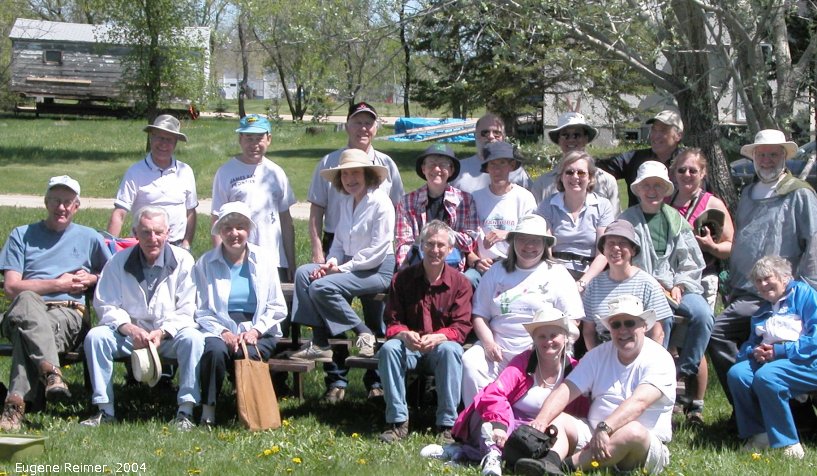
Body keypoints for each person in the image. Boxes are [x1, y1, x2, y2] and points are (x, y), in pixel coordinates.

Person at [708, 129, 817, 406]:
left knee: (719, 331)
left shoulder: (800, 194)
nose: (767, 160)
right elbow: (745, 240)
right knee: (720, 335)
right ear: (754, 157)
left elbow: (814, 241)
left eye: (773, 154)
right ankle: (749, 403)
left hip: (782, 294)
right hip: (746, 290)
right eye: (761, 154)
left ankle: (763, 403)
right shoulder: (748, 193)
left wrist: (804, 291)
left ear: (784, 157)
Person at [306, 101, 403, 403]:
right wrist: (324, 256)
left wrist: (343, 268)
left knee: (375, 315)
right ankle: (336, 379)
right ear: (347, 125)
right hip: (342, 248)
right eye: (357, 122)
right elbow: (318, 210)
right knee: (330, 305)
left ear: (375, 127)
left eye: (368, 122)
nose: (363, 128)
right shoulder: (331, 165)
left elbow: (393, 216)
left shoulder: (385, 170)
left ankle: (376, 382)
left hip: (373, 259)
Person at [0, 176, 111, 431]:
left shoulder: (89, 237)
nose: (61, 207)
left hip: (67, 315)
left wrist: (93, 277)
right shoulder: (21, 235)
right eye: (56, 201)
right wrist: (58, 284)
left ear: (77, 206)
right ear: (46, 202)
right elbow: (11, 287)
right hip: (24, 309)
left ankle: (14, 407)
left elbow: (113, 275)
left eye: (67, 202)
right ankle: (51, 374)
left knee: (24, 334)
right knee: (27, 299)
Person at [82, 207, 204, 430]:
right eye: (146, 232)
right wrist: (129, 328)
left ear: (168, 233)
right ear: (134, 232)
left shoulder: (184, 261)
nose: (153, 238)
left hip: (168, 337)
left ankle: (185, 411)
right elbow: (105, 303)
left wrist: (163, 331)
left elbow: (188, 309)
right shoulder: (118, 262)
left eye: (158, 232)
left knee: (194, 339)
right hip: (130, 336)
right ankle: (104, 409)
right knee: (96, 337)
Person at [528, 295, 675, 475]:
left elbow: (639, 403)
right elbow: (567, 389)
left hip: (643, 446)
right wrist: (541, 421)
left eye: (629, 323)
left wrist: (605, 427)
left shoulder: (660, 358)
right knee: (560, 419)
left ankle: (565, 466)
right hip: (594, 434)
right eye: (616, 325)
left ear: (644, 325)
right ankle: (548, 461)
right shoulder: (597, 355)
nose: (622, 330)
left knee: (633, 432)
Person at [444, 306, 585, 476]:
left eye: (554, 335)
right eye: (542, 336)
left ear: (565, 338)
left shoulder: (576, 370)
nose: (548, 341)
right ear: (534, 339)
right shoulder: (524, 361)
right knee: (485, 405)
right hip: (508, 425)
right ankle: (492, 455)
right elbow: (495, 393)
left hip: (544, 436)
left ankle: (466, 453)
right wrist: (500, 425)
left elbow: (581, 414)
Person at [461, 214, 584, 406]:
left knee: (529, 404)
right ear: (513, 242)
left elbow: (573, 321)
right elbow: (479, 314)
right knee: (470, 361)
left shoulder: (558, 274)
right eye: (523, 239)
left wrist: (543, 348)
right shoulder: (496, 271)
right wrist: (488, 343)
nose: (529, 246)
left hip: (539, 353)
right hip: (498, 350)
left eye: (535, 241)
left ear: (545, 244)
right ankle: (478, 423)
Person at [289, 149, 395, 367]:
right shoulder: (347, 203)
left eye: (355, 173)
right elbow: (338, 243)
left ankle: (364, 333)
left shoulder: (381, 203)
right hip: (351, 265)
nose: (349, 180)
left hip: (376, 269)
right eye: (345, 175)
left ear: (367, 174)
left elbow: (378, 250)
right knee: (303, 274)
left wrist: (341, 269)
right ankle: (320, 342)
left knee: (321, 287)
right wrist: (331, 262)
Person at [620, 161, 713, 391]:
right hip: (640, 288)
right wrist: (652, 284)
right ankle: (656, 372)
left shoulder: (676, 220)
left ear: (666, 189)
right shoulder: (626, 220)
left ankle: (683, 370)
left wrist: (680, 284)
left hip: (676, 287)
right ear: (638, 189)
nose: (652, 191)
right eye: (647, 185)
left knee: (703, 315)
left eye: (658, 186)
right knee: (662, 318)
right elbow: (621, 259)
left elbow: (691, 260)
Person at [193, 202, 287, 428]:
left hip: (259, 326)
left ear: (249, 230)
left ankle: (251, 410)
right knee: (214, 351)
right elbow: (201, 309)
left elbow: (277, 306)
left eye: (240, 227)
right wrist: (223, 332)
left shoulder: (264, 259)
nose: (234, 233)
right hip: (219, 325)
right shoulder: (205, 263)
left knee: (250, 353)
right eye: (227, 228)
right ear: (220, 232)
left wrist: (255, 331)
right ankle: (209, 410)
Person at [378, 221, 473, 443]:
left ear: (451, 249)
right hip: (409, 348)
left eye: (441, 245)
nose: (435, 250)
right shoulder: (402, 279)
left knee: (451, 350)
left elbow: (461, 326)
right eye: (429, 244)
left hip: (439, 350)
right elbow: (392, 321)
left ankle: (447, 425)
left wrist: (440, 336)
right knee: (389, 349)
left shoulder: (460, 283)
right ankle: (397, 422)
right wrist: (404, 334)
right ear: (421, 246)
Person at [667, 148, 734, 422]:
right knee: (673, 338)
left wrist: (711, 246)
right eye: (682, 169)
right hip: (672, 279)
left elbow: (730, 246)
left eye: (693, 170)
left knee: (697, 339)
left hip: (703, 276)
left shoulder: (712, 203)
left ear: (703, 173)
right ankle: (672, 396)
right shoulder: (666, 201)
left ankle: (696, 404)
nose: (687, 175)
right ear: (674, 172)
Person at [727, 256, 817, 460]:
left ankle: (790, 444)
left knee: (768, 376)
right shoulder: (764, 309)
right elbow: (750, 344)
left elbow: (815, 338)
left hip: (809, 361)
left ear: (785, 278)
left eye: (767, 278)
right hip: (776, 361)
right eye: (758, 281)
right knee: (737, 374)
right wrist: (754, 352)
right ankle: (759, 434)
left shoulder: (804, 295)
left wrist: (780, 351)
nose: (763, 284)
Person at [211, 114, 296, 281]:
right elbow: (216, 219)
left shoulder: (276, 172)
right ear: (240, 139)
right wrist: (218, 260)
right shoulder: (226, 172)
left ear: (269, 139)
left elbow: (286, 221)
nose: (254, 144)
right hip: (237, 257)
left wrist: (291, 262)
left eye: (259, 138)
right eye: (249, 138)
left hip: (274, 258)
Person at [107, 114, 198, 250]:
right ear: (151, 138)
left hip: (176, 246)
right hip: (144, 246)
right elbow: (120, 213)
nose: (163, 144)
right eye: (159, 137)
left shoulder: (185, 171)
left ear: (175, 143)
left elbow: (191, 212)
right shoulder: (135, 171)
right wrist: (108, 248)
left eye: (169, 139)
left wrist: (186, 243)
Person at [582, 220, 672, 350]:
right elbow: (589, 332)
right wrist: (597, 361)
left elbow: (658, 333)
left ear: (633, 250)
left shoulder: (648, 284)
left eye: (622, 243)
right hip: (604, 356)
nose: (616, 248)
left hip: (639, 354)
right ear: (604, 250)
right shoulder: (594, 286)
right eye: (610, 243)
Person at [535, 151, 614, 288]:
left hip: (591, 274)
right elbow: (546, 250)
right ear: (561, 177)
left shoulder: (603, 206)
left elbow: (603, 253)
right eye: (569, 172)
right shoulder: (548, 205)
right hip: (556, 272)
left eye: (581, 173)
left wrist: (582, 283)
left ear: (590, 178)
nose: (575, 177)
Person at [394, 143, 478, 271]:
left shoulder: (465, 200)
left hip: (454, 267)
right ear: (423, 169)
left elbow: (470, 241)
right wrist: (405, 267)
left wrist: (439, 235)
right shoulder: (407, 202)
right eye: (431, 164)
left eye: (443, 165)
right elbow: (404, 241)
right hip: (418, 266)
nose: (437, 169)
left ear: (451, 170)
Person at [467, 141, 537, 287]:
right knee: (467, 279)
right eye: (492, 164)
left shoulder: (524, 197)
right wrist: (476, 261)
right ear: (486, 167)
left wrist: (507, 234)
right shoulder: (475, 198)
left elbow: (533, 235)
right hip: (483, 265)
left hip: (515, 263)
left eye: (502, 163)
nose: (497, 169)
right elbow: (466, 238)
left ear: (511, 166)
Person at [530, 112, 620, 213]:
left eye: (577, 135)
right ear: (559, 140)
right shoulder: (542, 184)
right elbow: (535, 221)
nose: (571, 139)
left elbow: (615, 223)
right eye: (565, 135)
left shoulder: (607, 181)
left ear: (586, 138)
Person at [598, 109, 685, 206]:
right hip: (637, 219)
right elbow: (598, 168)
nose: (655, 136)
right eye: (653, 129)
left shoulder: (688, 165)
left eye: (663, 130)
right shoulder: (634, 159)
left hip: (678, 219)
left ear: (678, 135)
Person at [451, 113, 531, 194]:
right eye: (485, 132)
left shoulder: (516, 171)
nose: (491, 136)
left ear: (503, 137)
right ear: (475, 136)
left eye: (497, 133)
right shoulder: (459, 169)